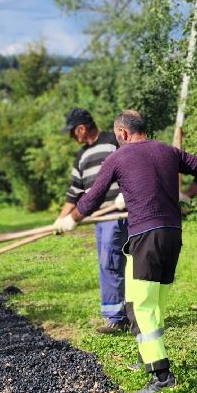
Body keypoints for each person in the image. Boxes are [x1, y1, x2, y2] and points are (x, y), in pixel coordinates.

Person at [55, 109, 197, 393]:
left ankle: (162, 376)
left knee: (139, 307)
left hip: (146, 237)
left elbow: (91, 197)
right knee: (154, 302)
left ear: (122, 133)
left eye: (117, 136)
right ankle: (147, 355)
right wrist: (187, 194)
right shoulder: (168, 151)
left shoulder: (118, 157)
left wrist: (72, 218)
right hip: (172, 234)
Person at [58, 107, 130, 334]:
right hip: (98, 217)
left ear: (81, 128)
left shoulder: (113, 142)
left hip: (118, 213)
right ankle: (119, 315)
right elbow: (73, 193)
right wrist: (60, 220)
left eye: (72, 132)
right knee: (106, 263)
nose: (72, 137)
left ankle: (117, 319)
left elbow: (133, 167)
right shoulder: (81, 156)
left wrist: (126, 193)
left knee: (112, 262)